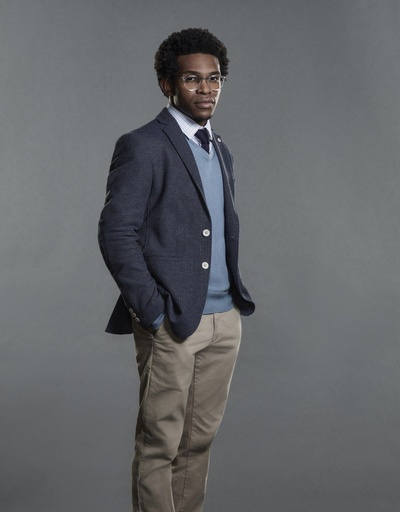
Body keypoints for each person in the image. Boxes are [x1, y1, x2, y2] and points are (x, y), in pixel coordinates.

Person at [98, 27, 255, 512]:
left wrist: (228, 308)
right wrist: (152, 311)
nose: (206, 89)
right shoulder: (143, 145)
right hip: (173, 322)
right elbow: (116, 232)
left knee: (197, 442)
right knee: (159, 445)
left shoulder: (220, 147)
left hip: (224, 320)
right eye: (192, 79)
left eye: (215, 78)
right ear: (167, 84)